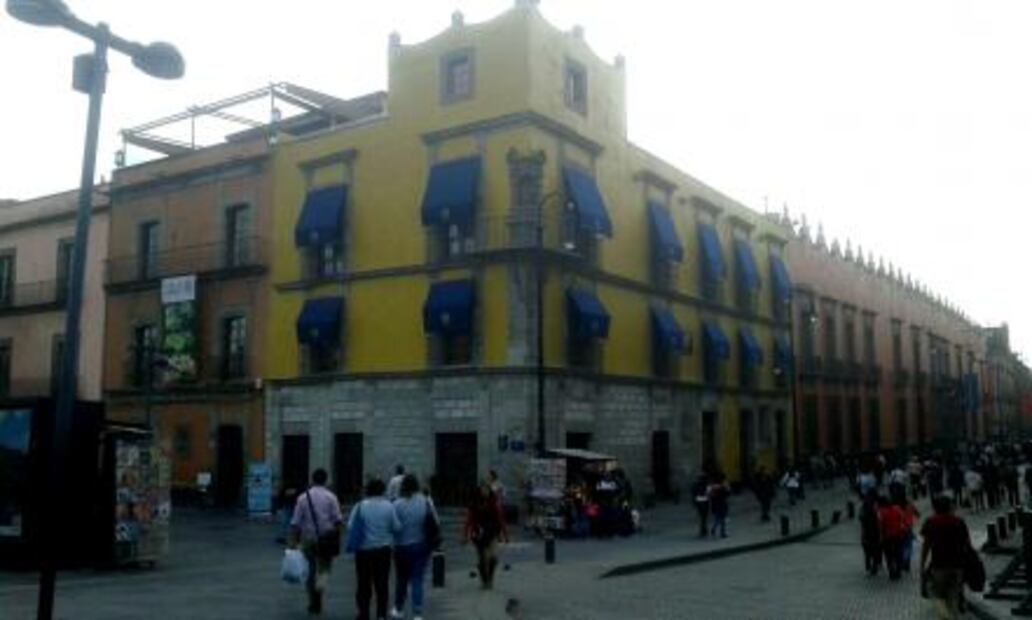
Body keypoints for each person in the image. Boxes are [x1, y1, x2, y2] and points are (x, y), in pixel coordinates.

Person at [289, 469, 343, 616]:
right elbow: (338, 520)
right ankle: (319, 591)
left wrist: (293, 541)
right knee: (324, 570)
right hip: (326, 538)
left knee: (309, 571)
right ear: (326, 480)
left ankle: (312, 600)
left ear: (312, 480)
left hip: (308, 539)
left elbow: (295, 522)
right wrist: (337, 537)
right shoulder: (331, 497)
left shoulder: (302, 498)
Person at [349, 478, 401, 620]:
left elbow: (351, 526)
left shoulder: (360, 506)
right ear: (382, 490)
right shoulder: (389, 506)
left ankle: (363, 613)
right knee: (382, 583)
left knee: (363, 583)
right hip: (383, 550)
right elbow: (396, 527)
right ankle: (381, 614)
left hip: (363, 550)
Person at [390, 474, 437, 620]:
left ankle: (399, 608)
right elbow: (434, 522)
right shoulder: (425, 501)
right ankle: (417, 613)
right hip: (420, 545)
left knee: (401, 579)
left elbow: (394, 527)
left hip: (401, 546)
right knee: (417, 579)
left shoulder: (396, 504)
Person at [921, 495, 974, 620]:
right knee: (953, 596)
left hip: (939, 565)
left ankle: (945, 616)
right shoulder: (959, 521)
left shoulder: (931, 522)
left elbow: (926, 545)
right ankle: (953, 616)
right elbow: (967, 544)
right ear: (950, 507)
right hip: (957, 565)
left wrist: (922, 563)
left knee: (936, 594)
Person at [465, 482, 509, 589]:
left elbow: (501, 519)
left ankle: (490, 578)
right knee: (482, 558)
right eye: (483, 489)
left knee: (492, 557)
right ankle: (485, 581)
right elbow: (469, 520)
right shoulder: (475, 503)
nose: (485, 492)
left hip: (492, 531)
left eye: (487, 489)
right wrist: (465, 534)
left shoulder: (494, 503)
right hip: (478, 532)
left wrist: (505, 534)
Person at [878, 495, 905, 580]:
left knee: (888, 555)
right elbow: (902, 520)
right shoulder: (897, 509)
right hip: (898, 535)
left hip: (888, 536)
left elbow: (881, 525)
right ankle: (898, 571)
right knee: (898, 553)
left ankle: (891, 571)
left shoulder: (882, 512)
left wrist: (881, 537)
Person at [859, 490, 882, 576]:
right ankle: (874, 566)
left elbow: (861, 518)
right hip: (875, 532)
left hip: (866, 532)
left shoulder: (864, 507)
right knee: (876, 550)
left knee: (867, 551)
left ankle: (869, 566)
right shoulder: (877, 506)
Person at [707, 474, 730, 538]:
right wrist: (727, 488)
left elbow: (710, 496)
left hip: (715, 505)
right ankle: (722, 533)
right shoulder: (722, 487)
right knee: (722, 519)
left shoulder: (712, 488)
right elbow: (727, 494)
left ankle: (714, 529)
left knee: (717, 518)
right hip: (722, 504)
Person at [691, 473, 710, 538]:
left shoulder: (695, 485)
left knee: (702, 516)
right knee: (704, 516)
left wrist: (694, 502)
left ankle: (703, 529)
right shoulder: (706, 484)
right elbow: (708, 493)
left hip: (699, 501)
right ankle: (703, 529)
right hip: (705, 501)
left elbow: (693, 493)